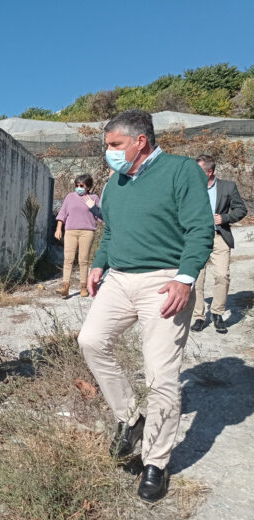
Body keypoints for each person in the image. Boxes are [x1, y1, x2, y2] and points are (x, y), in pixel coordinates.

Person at [76, 110, 213, 503]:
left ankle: (156, 461)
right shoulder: (115, 184)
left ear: (140, 141)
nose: (109, 154)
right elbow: (112, 231)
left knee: (161, 375)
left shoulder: (181, 171)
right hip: (119, 278)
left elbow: (199, 229)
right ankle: (130, 419)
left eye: (115, 145)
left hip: (164, 280)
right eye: (107, 146)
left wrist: (185, 279)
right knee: (91, 341)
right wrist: (99, 263)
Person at [190, 154, 247, 334]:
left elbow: (241, 209)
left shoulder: (227, 187)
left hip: (219, 236)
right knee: (196, 279)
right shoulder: (190, 187)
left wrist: (226, 218)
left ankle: (217, 313)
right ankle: (199, 316)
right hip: (196, 238)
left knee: (222, 275)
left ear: (210, 172)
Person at [54, 174, 101, 297]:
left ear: (88, 187)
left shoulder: (94, 197)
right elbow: (62, 213)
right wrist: (58, 229)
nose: (78, 188)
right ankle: (65, 286)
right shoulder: (70, 197)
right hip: (70, 231)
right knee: (68, 259)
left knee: (83, 260)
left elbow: (101, 216)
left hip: (87, 232)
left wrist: (94, 206)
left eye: (81, 186)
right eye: (76, 185)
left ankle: (83, 287)